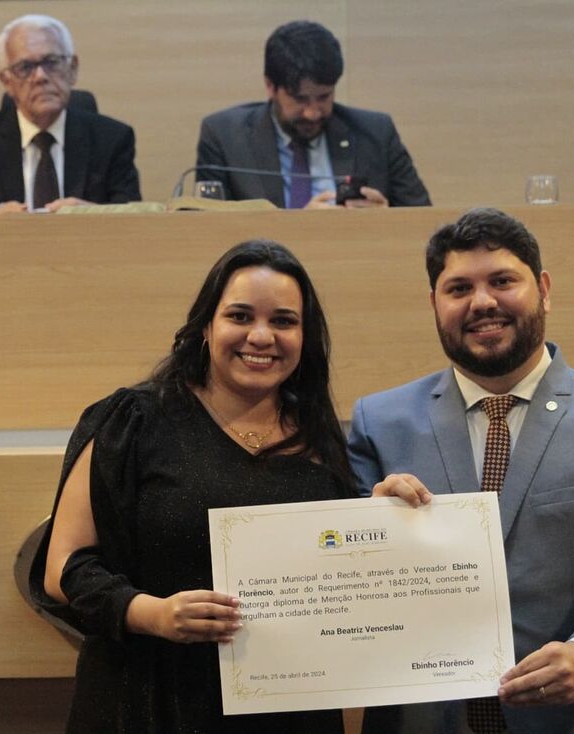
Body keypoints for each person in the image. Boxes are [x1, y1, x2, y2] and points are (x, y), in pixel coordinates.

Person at [33, 240, 422, 733]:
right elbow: (63, 568)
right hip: (151, 699)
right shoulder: (133, 420)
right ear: (205, 327)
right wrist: (152, 614)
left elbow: (333, 579)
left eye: (283, 321)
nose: (261, 336)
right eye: (240, 316)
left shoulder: (321, 439)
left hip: (286, 709)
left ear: (305, 338)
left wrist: (381, 520)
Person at [347, 208, 574, 733]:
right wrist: (368, 533)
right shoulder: (379, 421)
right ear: (434, 304)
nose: (482, 301)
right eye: (458, 287)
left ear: (544, 289)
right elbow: (346, 578)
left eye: (503, 281)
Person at [195, 20, 430, 210]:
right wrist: (303, 227)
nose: (313, 112)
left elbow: (425, 225)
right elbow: (209, 233)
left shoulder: (377, 133)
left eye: (324, 97)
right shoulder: (224, 136)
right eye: (300, 99)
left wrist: (387, 219)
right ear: (270, 86)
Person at [0, 14, 141, 214]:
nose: (40, 76)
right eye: (25, 67)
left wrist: (87, 214)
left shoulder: (112, 139)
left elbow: (135, 215)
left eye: (51, 62)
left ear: (73, 69)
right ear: (7, 81)